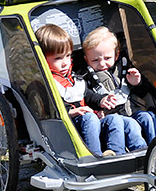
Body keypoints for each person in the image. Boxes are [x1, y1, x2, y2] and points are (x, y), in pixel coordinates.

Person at [37, 24, 146, 156]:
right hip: (69, 127)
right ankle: (95, 156)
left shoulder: (73, 77)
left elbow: (88, 95)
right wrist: (71, 111)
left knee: (120, 121)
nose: (65, 62)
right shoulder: (46, 83)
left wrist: (101, 101)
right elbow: (48, 109)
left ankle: (129, 153)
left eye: (67, 56)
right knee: (89, 117)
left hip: (91, 123)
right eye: (58, 58)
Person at [82, 26, 156, 143]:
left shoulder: (124, 69)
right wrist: (100, 100)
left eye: (107, 58)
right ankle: (141, 149)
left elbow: (143, 92)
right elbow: (87, 96)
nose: (102, 64)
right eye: (95, 60)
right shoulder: (86, 77)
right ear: (87, 60)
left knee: (149, 117)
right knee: (132, 125)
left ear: (116, 55)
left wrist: (137, 83)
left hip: (132, 112)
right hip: (110, 119)